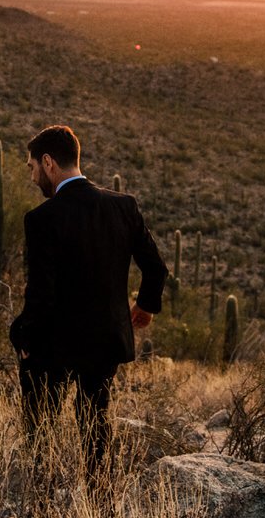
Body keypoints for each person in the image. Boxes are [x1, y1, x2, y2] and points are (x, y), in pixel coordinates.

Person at [9, 124, 169, 475]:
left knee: (41, 430)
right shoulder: (123, 206)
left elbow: (42, 291)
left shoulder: (41, 219)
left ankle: (43, 496)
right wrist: (144, 307)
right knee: (96, 427)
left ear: (49, 162)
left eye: (33, 167)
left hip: (54, 344)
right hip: (104, 340)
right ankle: (98, 500)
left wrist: (24, 336)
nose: (33, 177)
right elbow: (156, 269)